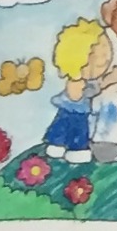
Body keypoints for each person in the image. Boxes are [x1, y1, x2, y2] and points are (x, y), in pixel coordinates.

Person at [41, 18, 102, 160]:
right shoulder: (76, 80)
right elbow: (77, 96)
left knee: (70, 128)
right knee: (71, 130)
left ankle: (67, 147)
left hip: (78, 113)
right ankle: (67, 146)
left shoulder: (84, 79)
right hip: (74, 113)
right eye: (99, 57)